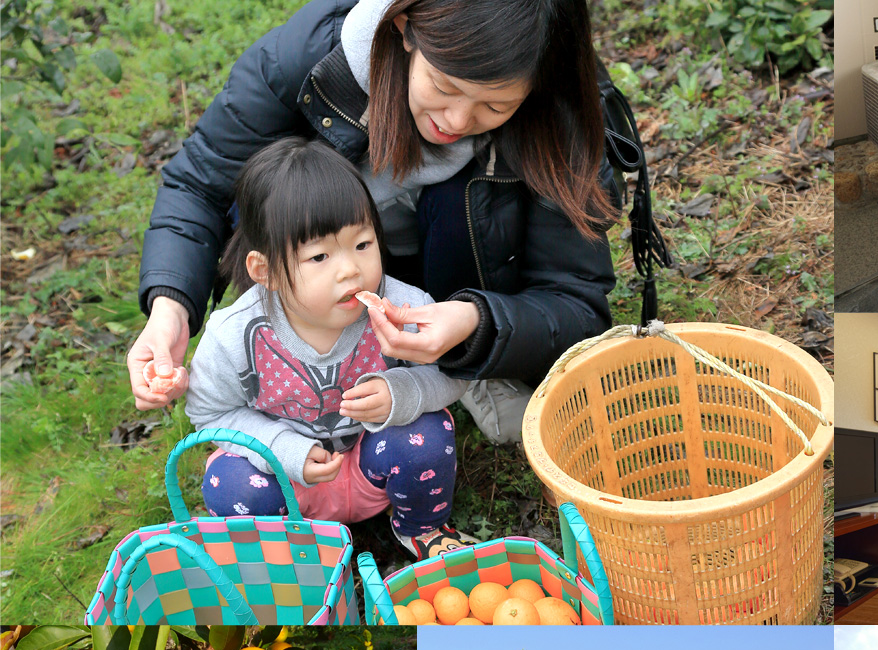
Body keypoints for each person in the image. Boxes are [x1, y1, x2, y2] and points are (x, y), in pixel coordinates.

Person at [131, 0, 618, 445]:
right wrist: (170, 308)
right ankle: (299, 363)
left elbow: (575, 302)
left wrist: (475, 322)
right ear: (405, 29)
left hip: (461, 277)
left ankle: (469, 371)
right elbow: (199, 184)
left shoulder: (562, 111)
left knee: (453, 202)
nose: (456, 118)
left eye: (496, 106)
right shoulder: (308, 62)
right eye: (444, 86)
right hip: (321, 271)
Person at [186, 137, 473, 561]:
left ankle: (423, 528)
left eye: (362, 244)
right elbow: (210, 415)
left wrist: (403, 392)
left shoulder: (400, 305)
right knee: (229, 482)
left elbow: (453, 369)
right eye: (319, 257)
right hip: (288, 483)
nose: (350, 269)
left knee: (426, 434)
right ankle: (290, 557)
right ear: (265, 271)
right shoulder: (234, 336)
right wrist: (281, 450)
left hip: (369, 463)